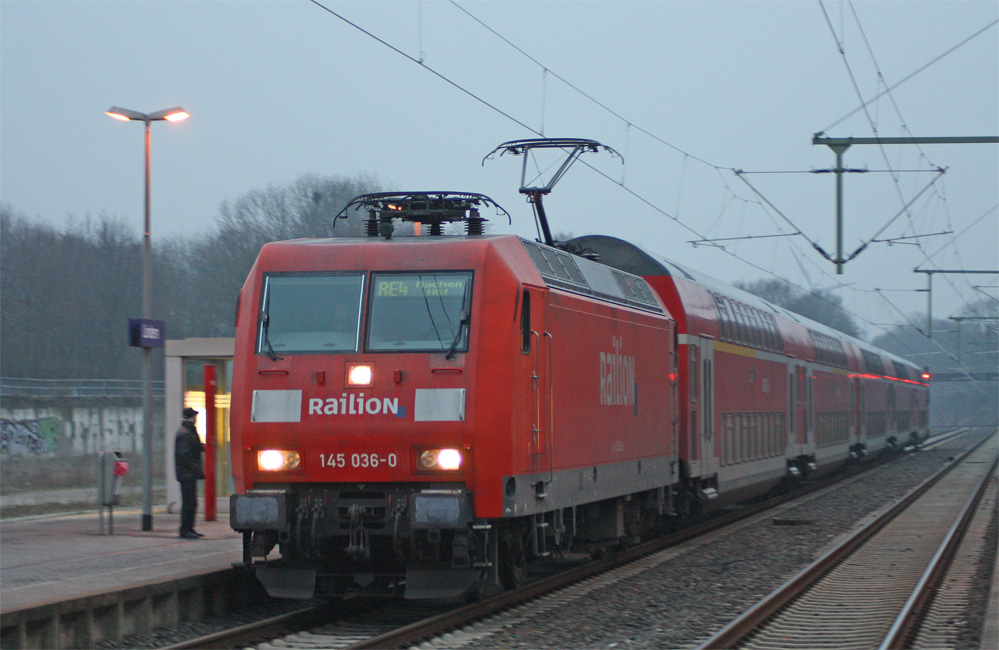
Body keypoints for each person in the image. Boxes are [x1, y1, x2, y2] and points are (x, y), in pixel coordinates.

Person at [174, 407, 205, 539]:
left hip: (187, 474)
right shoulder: (185, 433)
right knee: (189, 503)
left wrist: (202, 447)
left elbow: (193, 447)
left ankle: (189, 528)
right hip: (186, 474)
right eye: (195, 416)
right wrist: (195, 468)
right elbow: (185, 453)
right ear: (192, 418)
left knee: (191, 502)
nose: (196, 419)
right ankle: (185, 530)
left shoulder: (188, 431)